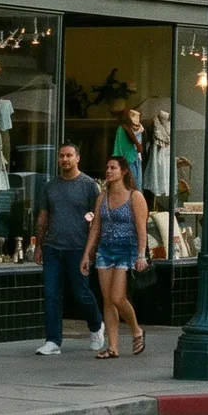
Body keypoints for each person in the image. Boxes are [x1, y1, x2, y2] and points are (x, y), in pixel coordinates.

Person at [33, 142, 105, 356]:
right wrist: (39, 246)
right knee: (51, 294)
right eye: (62, 156)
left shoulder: (89, 185)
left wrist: (90, 250)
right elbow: (43, 217)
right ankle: (53, 340)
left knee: (81, 292)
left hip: (78, 247)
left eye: (69, 156)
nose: (65, 159)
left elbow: (96, 219)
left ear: (77, 158)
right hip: (52, 247)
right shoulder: (50, 186)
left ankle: (96, 326)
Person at [82, 154, 148, 358]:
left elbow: (141, 228)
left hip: (126, 250)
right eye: (107, 168)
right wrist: (87, 254)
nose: (109, 171)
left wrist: (141, 255)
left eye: (113, 168)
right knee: (107, 300)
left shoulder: (134, 196)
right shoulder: (102, 197)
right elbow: (96, 228)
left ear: (124, 171)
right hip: (105, 250)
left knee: (118, 297)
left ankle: (136, 330)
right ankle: (113, 347)